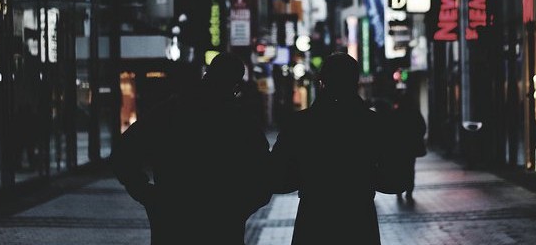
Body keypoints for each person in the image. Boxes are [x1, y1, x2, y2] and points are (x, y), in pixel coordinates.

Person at [110, 52, 271, 245]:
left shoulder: (170, 112)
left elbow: (123, 153)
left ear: (206, 75)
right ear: (235, 87)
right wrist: (239, 208)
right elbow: (265, 176)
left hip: (173, 221)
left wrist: (147, 195)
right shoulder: (241, 124)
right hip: (222, 226)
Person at [270, 52, 383, 245]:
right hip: (359, 220)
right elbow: (394, 180)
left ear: (322, 81)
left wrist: (307, 176)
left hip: (313, 220)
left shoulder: (301, 124)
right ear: (355, 82)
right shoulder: (372, 124)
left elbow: (277, 177)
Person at [387, 87, 427, 202]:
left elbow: (389, 130)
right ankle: (409, 191)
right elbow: (422, 127)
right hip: (411, 147)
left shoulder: (396, 113)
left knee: (399, 168)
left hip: (398, 147)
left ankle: (399, 191)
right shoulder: (414, 113)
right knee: (410, 169)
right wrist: (416, 137)